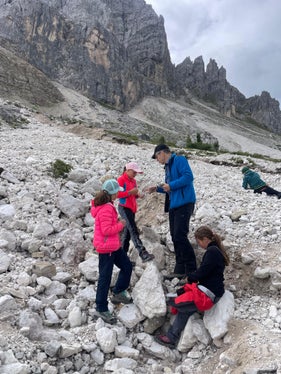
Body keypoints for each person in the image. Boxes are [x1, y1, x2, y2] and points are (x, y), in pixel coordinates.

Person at [155, 225, 230, 348]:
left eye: (199, 241)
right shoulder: (215, 251)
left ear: (205, 239)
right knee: (185, 309)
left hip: (208, 294)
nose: (199, 245)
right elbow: (205, 272)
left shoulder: (212, 252)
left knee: (175, 301)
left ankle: (171, 337)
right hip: (211, 291)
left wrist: (189, 278)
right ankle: (171, 338)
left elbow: (202, 272)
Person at [147, 144, 197, 278]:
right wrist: (156, 188)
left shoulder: (179, 160)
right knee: (175, 237)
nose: (157, 160)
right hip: (174, 205)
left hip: (185, 202)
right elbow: (168, 187)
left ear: (162, 153)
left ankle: (192, 270)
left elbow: (188, 177)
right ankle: (180, 269)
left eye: (157, 156)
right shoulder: (167, 168)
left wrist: (171, 185)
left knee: (180, 235)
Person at [91, 179, 133, 324]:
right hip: (106, 248)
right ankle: (101, 308)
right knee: (105, 277)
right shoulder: (106, 208)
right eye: (117, 192)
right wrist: (120, 224)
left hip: (113, 246)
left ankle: (118, 292)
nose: (118, 194)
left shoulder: (107, 205)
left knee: (127, 266)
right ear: (112, 194)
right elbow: (106, 230)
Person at [118, 162, 154, 263]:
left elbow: (133, 195)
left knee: (127, 234)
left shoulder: (133, 181)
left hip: (131, 209)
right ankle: (143, 253)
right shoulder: (121, 179)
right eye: (134, 172)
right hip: (124, 208)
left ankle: (122, 258)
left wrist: (138, 195)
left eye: (136, 172)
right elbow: (117, 194)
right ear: (127, 170)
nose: (135, 174)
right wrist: (130, 193)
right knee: (133, 230)